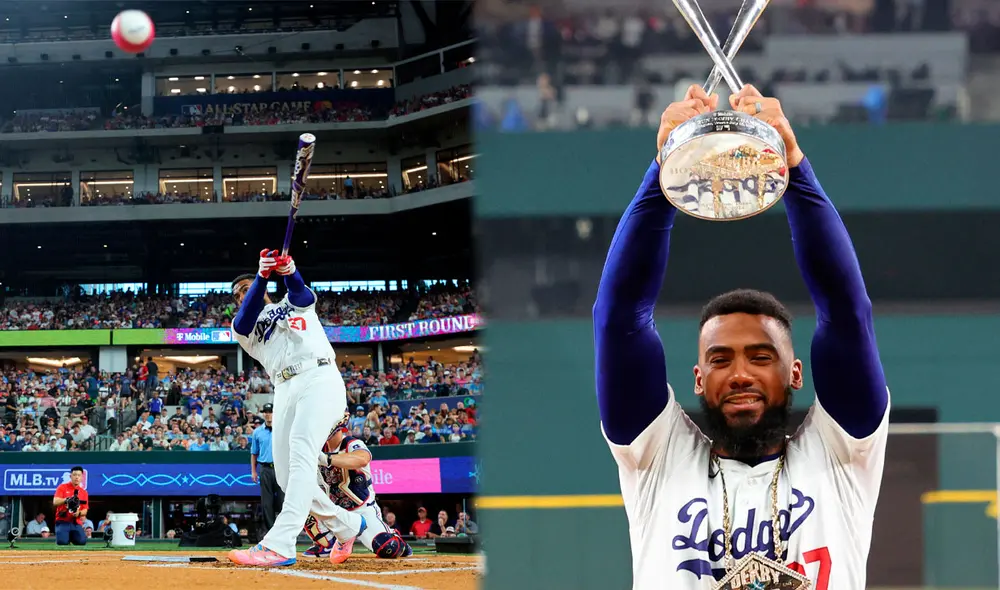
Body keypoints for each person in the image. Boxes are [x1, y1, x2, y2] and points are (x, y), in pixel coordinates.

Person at [593, 85, 889, 590]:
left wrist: (793, 167)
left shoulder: (842, 453)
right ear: (699, 377)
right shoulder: (657, 458)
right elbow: (619, 317)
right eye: (720, 359)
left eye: (761, 356)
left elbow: (846, 313)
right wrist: (663, 171)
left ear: (795, 372)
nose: (741, 374)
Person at [227, 249, 364, 567]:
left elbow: (301, 293)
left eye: (246, 287)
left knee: (302, 451)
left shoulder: (292, 303)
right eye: (239, 293)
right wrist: (260, 277)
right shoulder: (242, 327)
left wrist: (289, 271)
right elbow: (246, 317)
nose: (244, 294)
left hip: (319, 376)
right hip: (285, 387)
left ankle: (280, 544)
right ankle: (345, 527)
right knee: (287, 477)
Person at [301, 414, 411, 562]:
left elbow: (362, 458)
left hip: (362, 510)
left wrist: (327, 459)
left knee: (388, 547)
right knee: (302, 499)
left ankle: (394, 537)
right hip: (336, 512)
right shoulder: (317, 448)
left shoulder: (352, 443)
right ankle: (327, 544)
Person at [250, 402, 284, 537]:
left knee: (282, 501)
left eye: (270, 412)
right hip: (265, 468)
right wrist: (253, 471)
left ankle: (282, 531)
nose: (268, 415)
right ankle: (271, 533)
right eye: (266, 412)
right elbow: (254, 453)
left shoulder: (282, 429)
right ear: (263, 414)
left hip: (280, 468)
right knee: (266, 502)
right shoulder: (257, 432)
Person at [52, 466, 89, 546]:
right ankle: (64, 537)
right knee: (62, 542)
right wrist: (66, 500)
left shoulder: (84, 492)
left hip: (76, 522)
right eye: (75, 475)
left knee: (82, 542)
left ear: (82, 477)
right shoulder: (62, 487)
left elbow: (85, 510)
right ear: (70, 476)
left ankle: (71, 537)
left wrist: (78, 513)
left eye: (79, 475)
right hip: (63, 520)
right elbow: (55, 502)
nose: (77, 477)